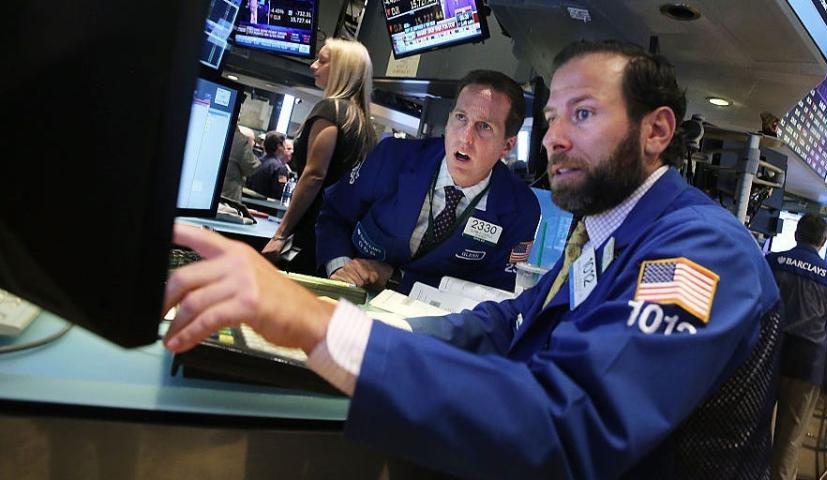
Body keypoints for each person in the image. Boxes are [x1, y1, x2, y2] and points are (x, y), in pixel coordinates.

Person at [163, 40, 782, 478]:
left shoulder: (700, 250)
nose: (556, 138)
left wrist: (324, 330)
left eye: (584, 114)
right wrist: (346, 330)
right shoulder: (610, 231)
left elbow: (574, 431)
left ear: (657, 131)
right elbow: (508, 322)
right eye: (554, 117)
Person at [315, 69, 540, 294]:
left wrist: (398, 280)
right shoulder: (392, 157)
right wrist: (340, 270)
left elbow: (495, 290)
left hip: (433, 321)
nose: (465, 138)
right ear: (449, 119)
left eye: (484, 127)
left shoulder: (521, 209)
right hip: (351, 295)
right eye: (461, 118)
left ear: (507, 146)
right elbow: (334, 214)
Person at [261, 38, 377, 274]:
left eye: (322, 61)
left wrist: (280, 233)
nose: (313, 66)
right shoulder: (365, 125)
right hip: (340, 239)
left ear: (342, 71)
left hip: (312, 231)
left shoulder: (330, 110)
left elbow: (314, 174)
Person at [766, 214, 827, 480]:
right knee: (789, 440)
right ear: (823, 241)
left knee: (753, 429)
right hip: (806, 365)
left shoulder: (772, 262)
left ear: (796, 234)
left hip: (766, 358)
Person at [220, 125, 260, 203]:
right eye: (253, 140)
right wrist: (248, 149)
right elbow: (253, 167)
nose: (254, 144)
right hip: (228, 199)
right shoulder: (239, 140)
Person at [246, 131, 290, 199]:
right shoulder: (280, 168)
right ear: (279, 146)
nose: (285, 147)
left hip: (249, 201)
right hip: (266, 206)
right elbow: (279, 193)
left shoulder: (256, 161)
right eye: (284, 144)